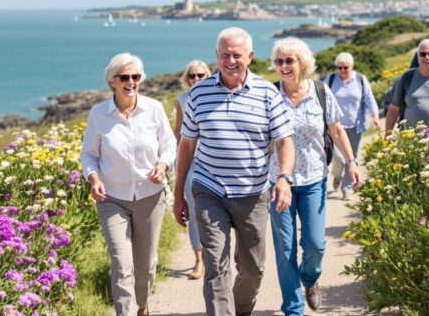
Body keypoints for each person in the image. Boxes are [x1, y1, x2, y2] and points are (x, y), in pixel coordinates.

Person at [172, 27, 295, 316]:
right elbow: (187, 145)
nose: (230, 61)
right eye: (224, 55)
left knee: (253, 269)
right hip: (209, 189)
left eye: (236, 55)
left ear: (249, 56)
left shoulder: (267, 93)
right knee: (215, 266)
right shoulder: (198, 94)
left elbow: (284, 141)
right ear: (216, 55)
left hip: (253, 193)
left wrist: (284, 178)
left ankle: (240, 311)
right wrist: (179, 194)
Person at [269, 38, 362, 315]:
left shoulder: (320, 91)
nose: (284, 66)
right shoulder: (271, 95)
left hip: (313, 179)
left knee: (315, 245)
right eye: (279, 61)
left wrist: (352, 163)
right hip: (279, 183)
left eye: (289, 60)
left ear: (302, 63)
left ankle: (310, 279)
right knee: (285, 249)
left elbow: (336, 130)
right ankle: (293, 308)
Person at [81, 53, 176, 316]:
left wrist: (163, 165)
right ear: (112, 81)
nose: (131, 82)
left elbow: (169, 145)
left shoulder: (154, 109)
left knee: (145, 265)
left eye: (136, 77)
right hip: (112, 199)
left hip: (150, 196)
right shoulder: (98, 114)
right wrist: (94, 178)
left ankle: (142, 306)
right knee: (122, 264)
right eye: (124, 77)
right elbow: (89, 154)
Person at [173, 59, 212, 280]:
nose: (196, 79)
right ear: (186, 79)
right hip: (191, 162)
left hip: (214, 162)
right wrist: (176, 163)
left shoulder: (217, 95)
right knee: (194, 210)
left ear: (208, 76)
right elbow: (178, 132)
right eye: (192, 76)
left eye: (201, 75)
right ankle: (199, 259)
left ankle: (214, 254)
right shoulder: (182, 99)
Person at [325, 52, 381, 200]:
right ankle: (337, 175)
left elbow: (369, 99)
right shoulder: (330, 80)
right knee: (338, 158)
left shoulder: (360, 79)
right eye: (339, 68)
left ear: (352, 66)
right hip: (335, 128)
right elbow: (321, 98)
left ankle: (347, 188)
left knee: (351, 159)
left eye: (346, 68)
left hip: (355, 126)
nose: (342, 71)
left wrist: (375, 117)